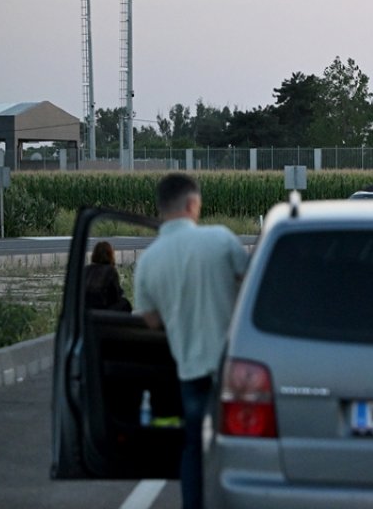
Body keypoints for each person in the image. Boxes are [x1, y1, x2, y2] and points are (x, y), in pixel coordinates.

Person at [134, 173, 248, 509]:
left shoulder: (149, 261)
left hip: (190, 372)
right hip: (235, 372)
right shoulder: (221, 239)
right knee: (239, 449)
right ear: (192, 204)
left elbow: (151, 321)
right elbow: (250, 284)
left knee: (193, 448)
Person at [84, 241, 132, 312]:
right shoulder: (110, 270)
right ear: (110, 255)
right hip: (103, 310)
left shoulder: (86, 269)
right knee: (125, 303)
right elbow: (116, 295)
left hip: (86, 309)